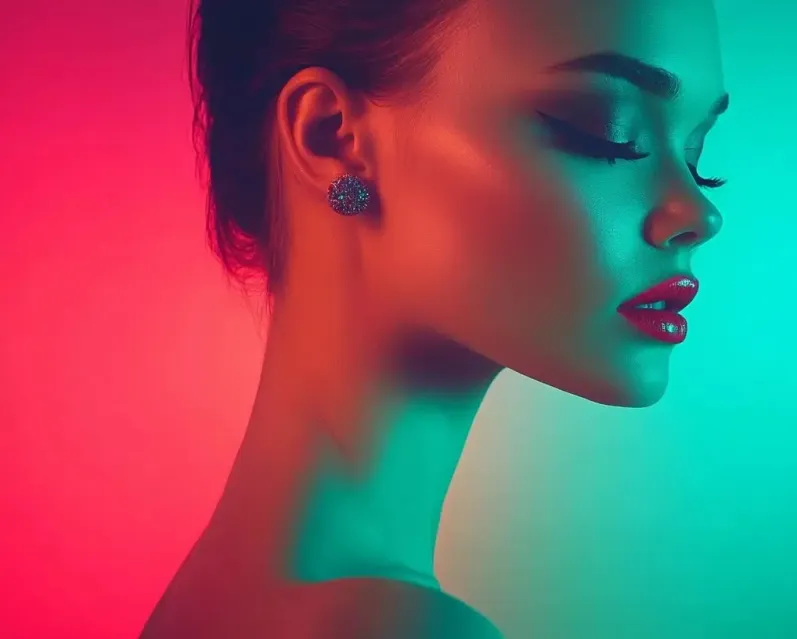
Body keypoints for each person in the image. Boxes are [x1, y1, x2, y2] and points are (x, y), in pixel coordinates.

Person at [140, 0, 728, 636]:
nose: (696, 211)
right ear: (332, 136)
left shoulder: (219, 602)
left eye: (697, 151)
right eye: (606, 131)